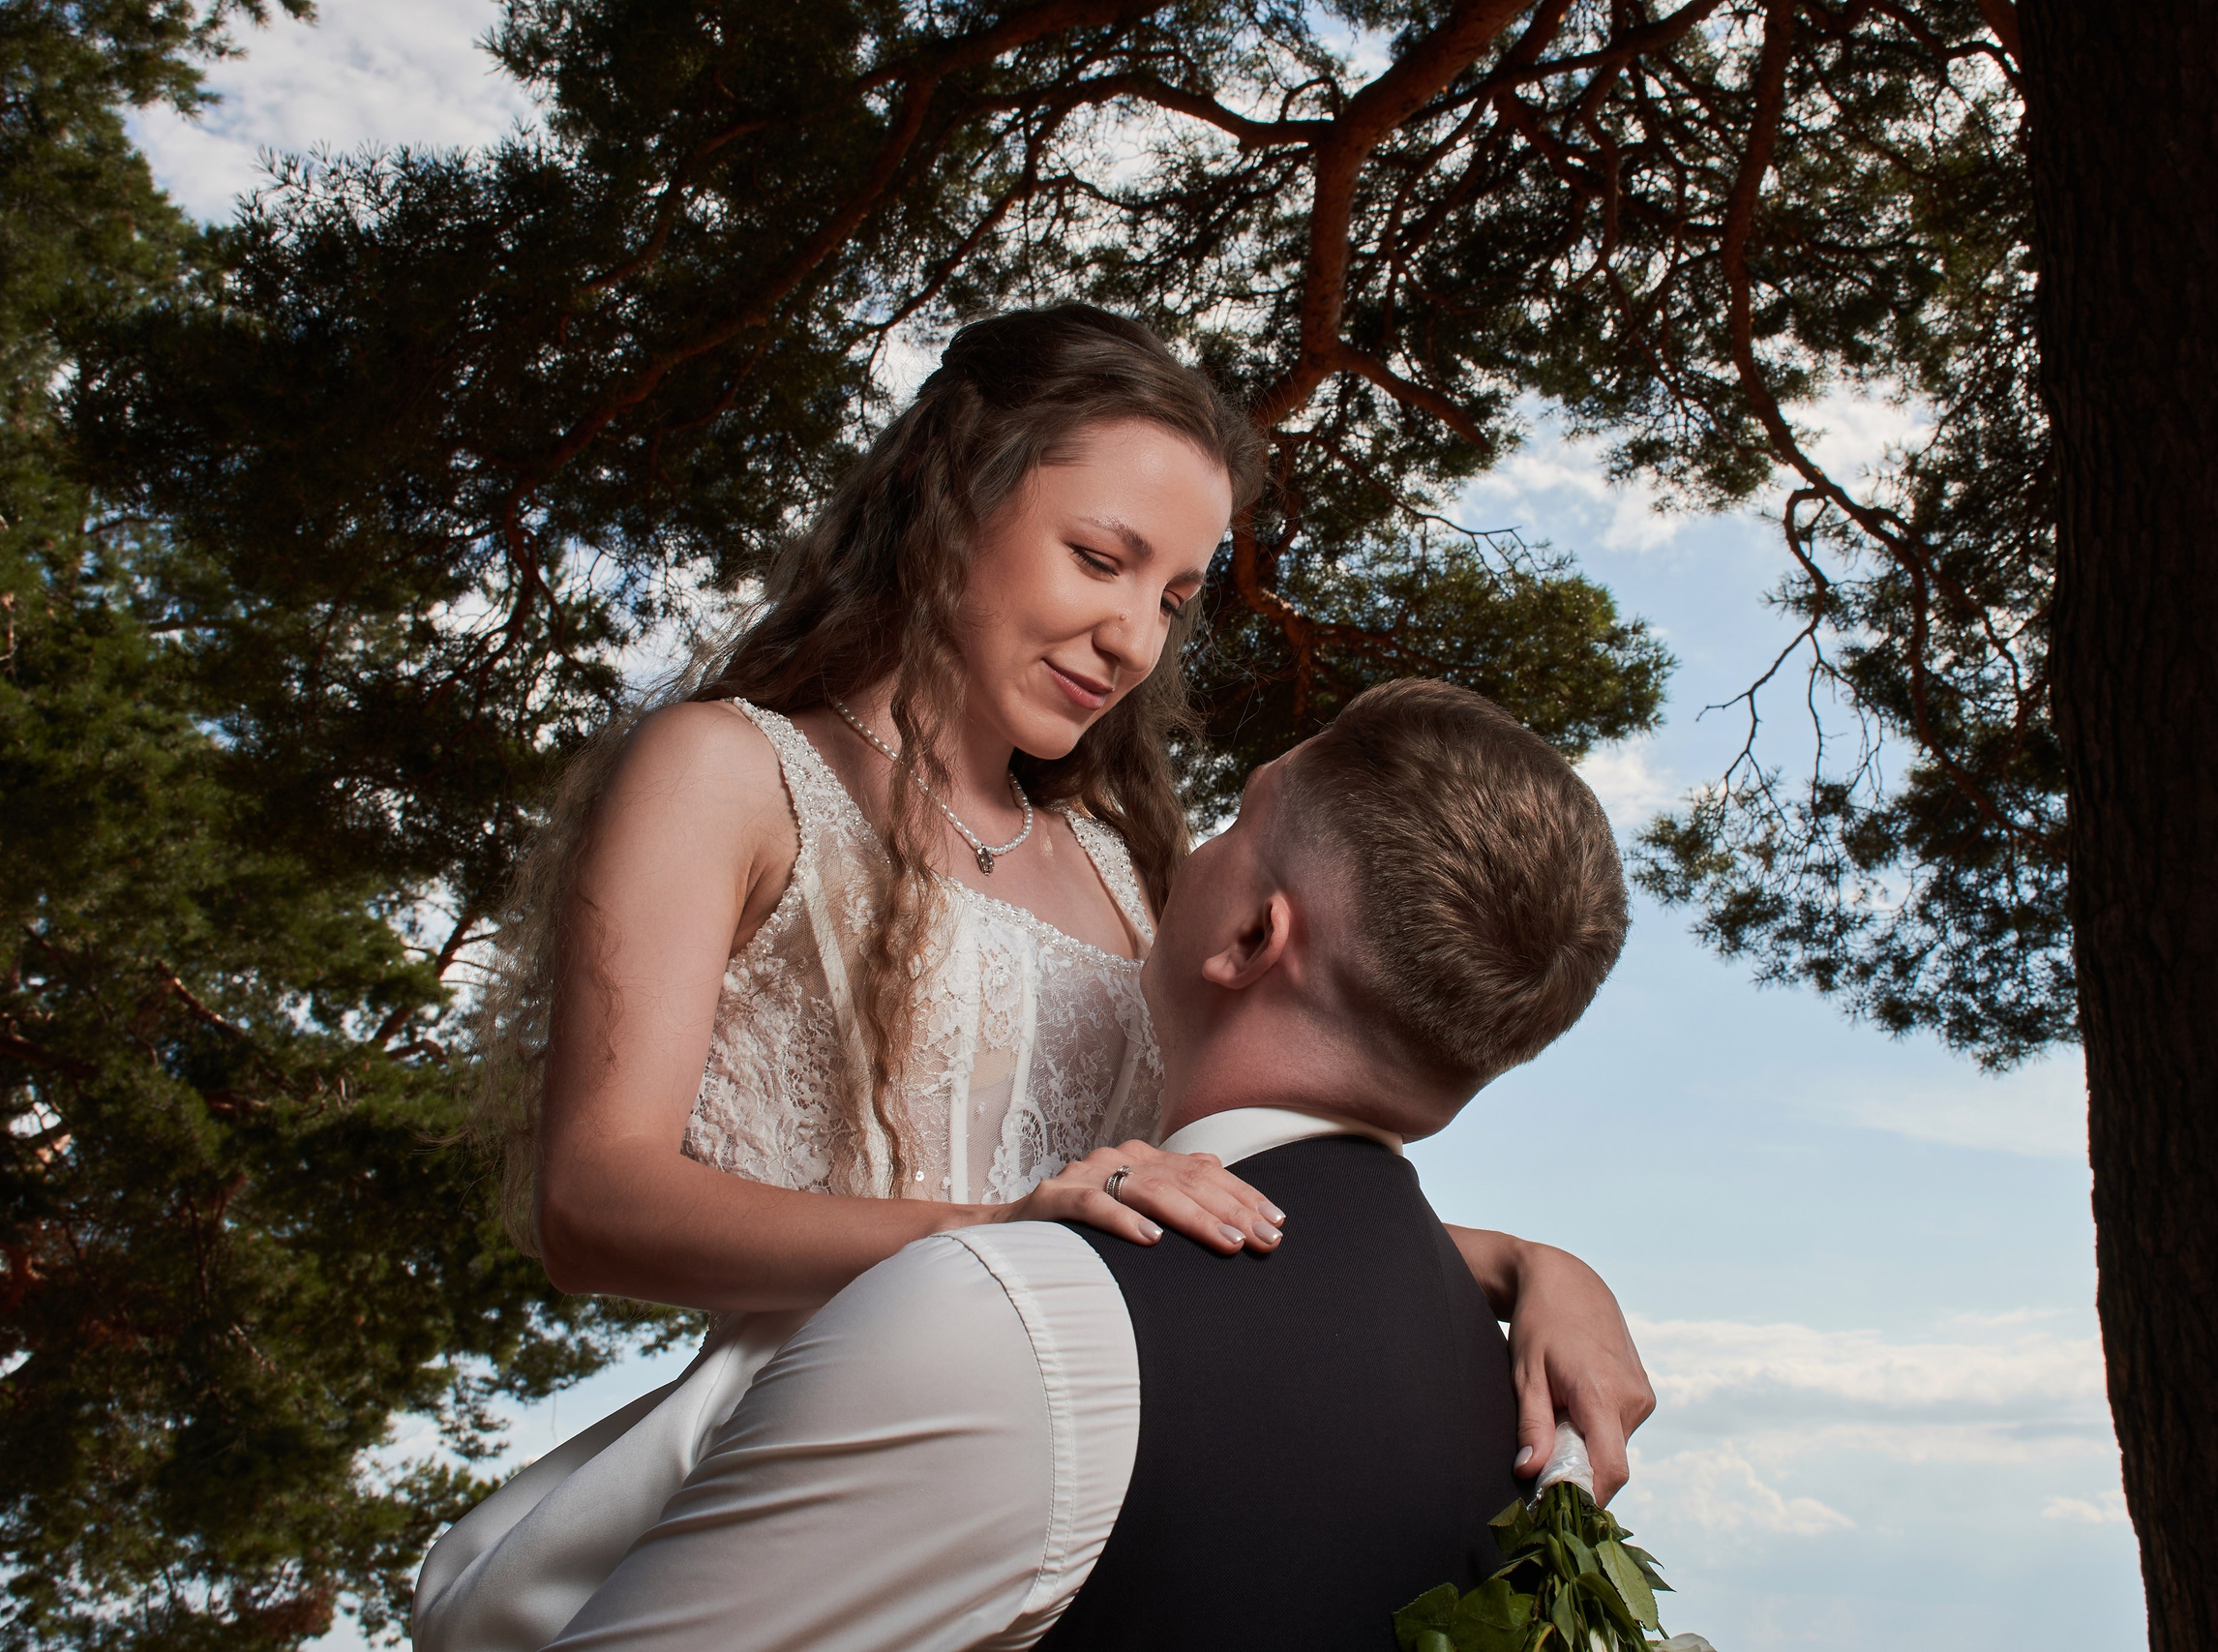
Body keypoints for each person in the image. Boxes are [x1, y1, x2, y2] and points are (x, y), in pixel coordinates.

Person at [414, 309, 1652, 1651]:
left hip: (1083, 1504)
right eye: (1100, 557)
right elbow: (596, 1199)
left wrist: (1525, 1261)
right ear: (946, 502)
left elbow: (1199, 1222)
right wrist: (994, 1232)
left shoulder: (1130, 869)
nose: (1132, 637)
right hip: (820, 1462)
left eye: (1173, 599)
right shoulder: (729, 770)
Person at [518, 678, 1634, 1651]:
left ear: (1251, 937)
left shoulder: (1002, 1313)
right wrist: (1530, 1258)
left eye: (1236, 821)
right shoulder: (1523, 1429)